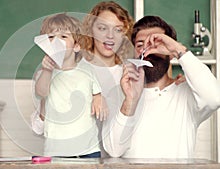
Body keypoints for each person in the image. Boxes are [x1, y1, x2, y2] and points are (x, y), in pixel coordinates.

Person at [103, 15, 220, 158]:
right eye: (140, 45)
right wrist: (131, 100)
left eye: (156, 44)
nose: (148, 51)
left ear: (170, 53)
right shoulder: (120, 94)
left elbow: (215, 98)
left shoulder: (186, 94)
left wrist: (178, 50)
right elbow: (114, 150)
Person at [31, 1, 135, 158]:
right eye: (102, 28)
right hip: (59, 152)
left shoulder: (129, 75)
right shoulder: (52, 71)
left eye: (118, 30)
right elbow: (38, 124)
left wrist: (98, 96)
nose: (110, 35)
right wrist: (47, 75)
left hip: (96, 154)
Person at [34, 13, 104, 158]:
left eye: (63, 36)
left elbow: (97, 92)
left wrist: (98, 98)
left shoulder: (88, 70)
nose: (56, 41)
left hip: (88, 150)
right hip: (56, 151)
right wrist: (47, 71)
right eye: (51, 37)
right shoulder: (43, 73)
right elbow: (41, 92)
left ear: (77, 46)